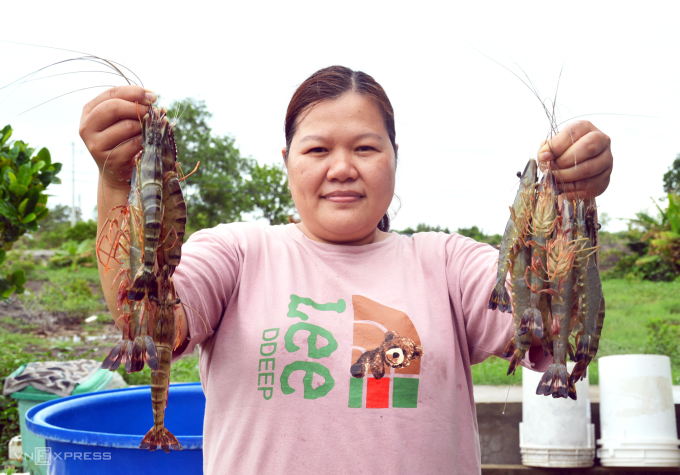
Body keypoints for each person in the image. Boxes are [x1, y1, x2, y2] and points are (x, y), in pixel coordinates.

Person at [80, 66, 613, 474]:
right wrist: (114, 181)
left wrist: (574, 204)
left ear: (394, 158)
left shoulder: (448, 262)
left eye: (365, 147)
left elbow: (551, 322)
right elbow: (149, 322)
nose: (342, 168)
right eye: (316, 149)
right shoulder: (237, 252)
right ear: (286, 159)